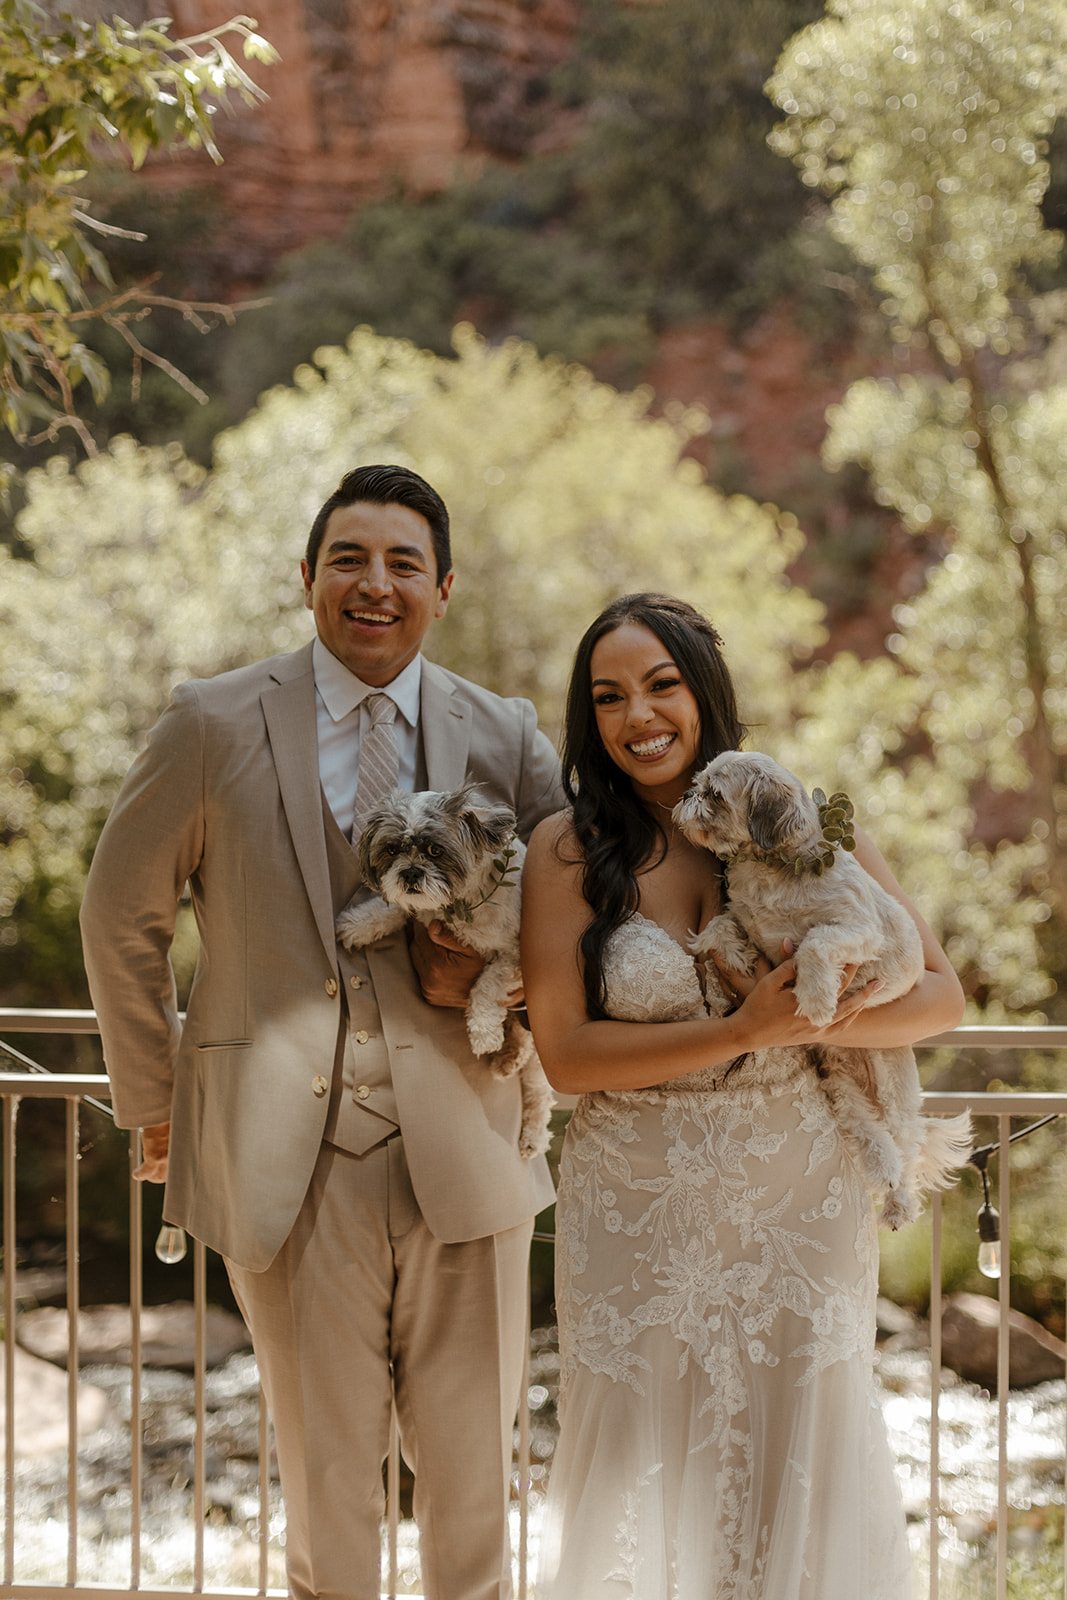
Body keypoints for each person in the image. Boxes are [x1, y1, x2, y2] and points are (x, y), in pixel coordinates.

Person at [80, 465, 561, 1600]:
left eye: (403, 563)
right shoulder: (209, 721)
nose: (374, 584)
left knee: (474, 1498)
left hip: (472, 1154)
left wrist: (521, 1003)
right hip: (286, 1171)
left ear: (442, 587)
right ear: (307, 579)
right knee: (327, 1493)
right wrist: (153, 1105)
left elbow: (572, 914)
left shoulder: (504, 733)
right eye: (348, 558)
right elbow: (120, 911)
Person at [520, 592, 965, 1600]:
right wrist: (739, 1028)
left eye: (660, 685)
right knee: (634, 1457)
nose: (638, 715)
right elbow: (566, 1058)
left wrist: (815, 1022)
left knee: (797, 1449)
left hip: (794, 1192)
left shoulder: (794, 819)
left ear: (702, 690)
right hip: (630, 1206)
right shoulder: (563, 852)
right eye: (608, 697)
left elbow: (937, 994)